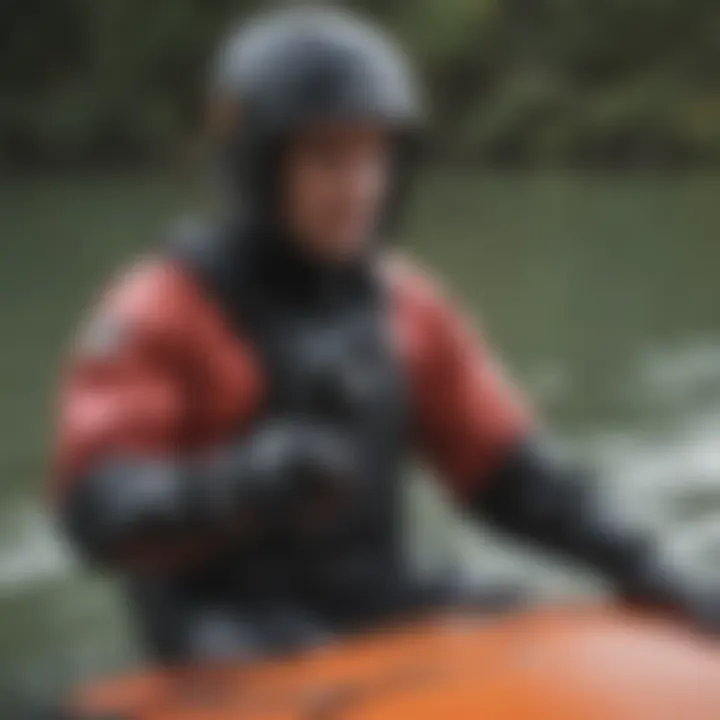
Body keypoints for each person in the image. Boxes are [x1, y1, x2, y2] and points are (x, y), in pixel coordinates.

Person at [50, 7, 716, 663]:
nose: (362, 186)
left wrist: (647, 565)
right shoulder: (162, 308)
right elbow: (97, 509)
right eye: (328, 157)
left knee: (535, 617)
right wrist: (246, 484)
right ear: (258, 163)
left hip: (373, 605)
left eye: (377, 156)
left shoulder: (405, 303)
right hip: (228, 632)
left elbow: (511, 473)